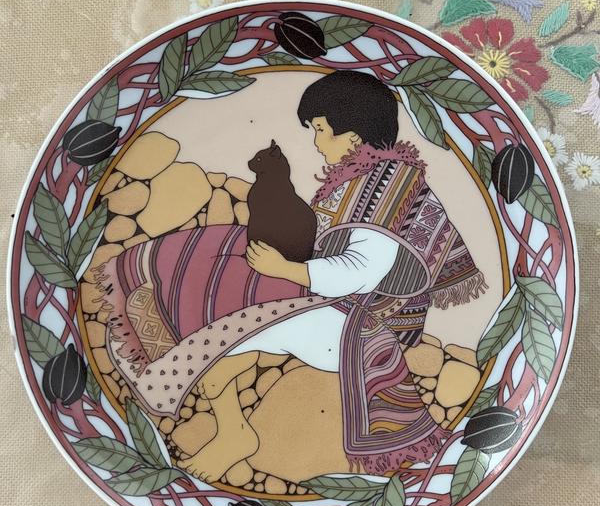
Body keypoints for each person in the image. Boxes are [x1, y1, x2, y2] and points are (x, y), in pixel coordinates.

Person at [97, 70, 486, 482]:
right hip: (336, 303)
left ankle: (226, 425)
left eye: (320, 130)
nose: (315, 142)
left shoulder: (386, 187)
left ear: (353, 137)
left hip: (358, 325)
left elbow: (360, 272)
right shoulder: (367, 177)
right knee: (218, 251)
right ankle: (227, 410)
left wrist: (283, 269)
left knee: (223, 302)